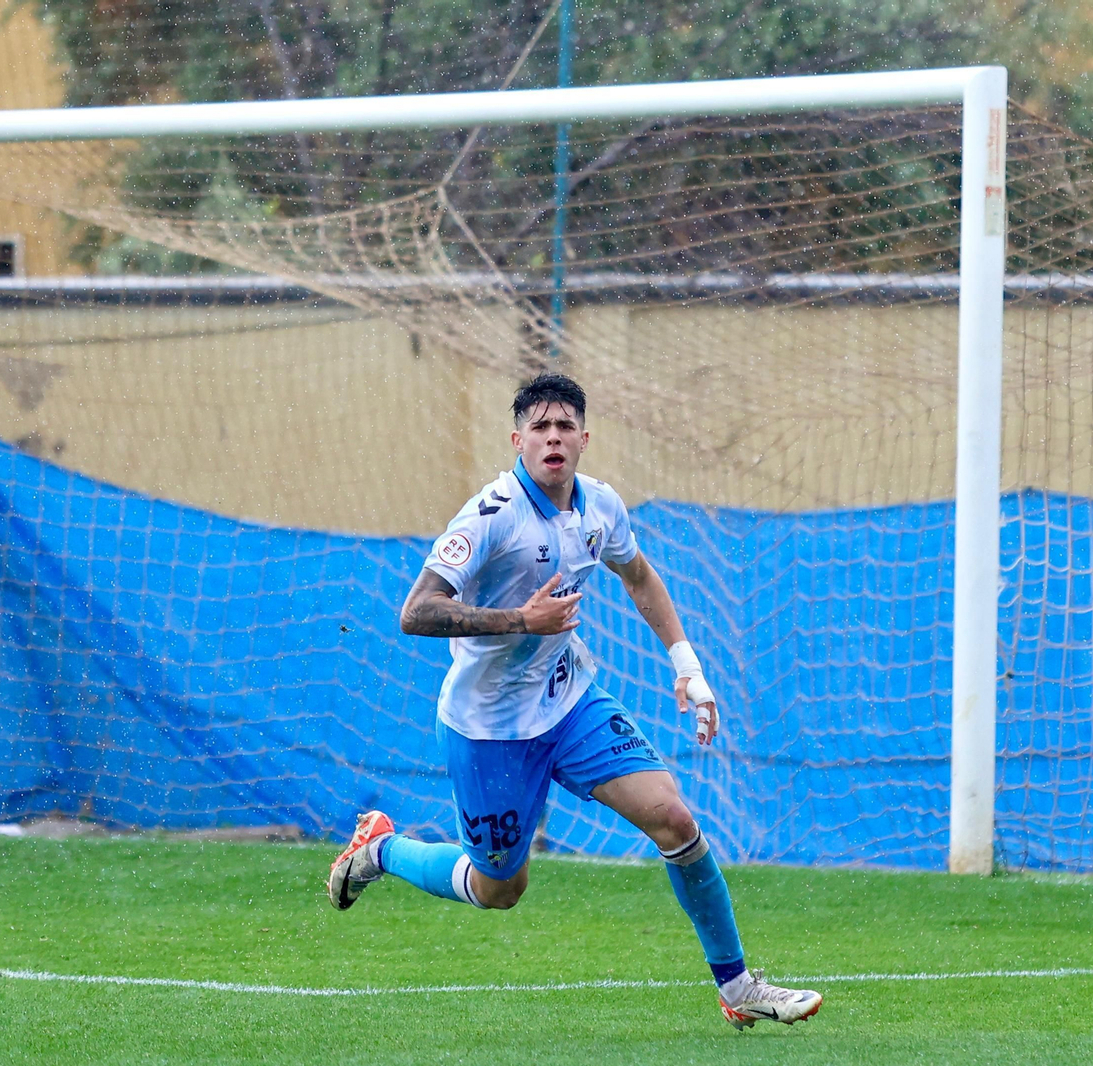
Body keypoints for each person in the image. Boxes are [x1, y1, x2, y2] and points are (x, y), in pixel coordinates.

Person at [326, 372, 822, 1029]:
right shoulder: (491, 515)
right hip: (488, 730)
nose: (552, 437)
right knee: (498, 888)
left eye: (564, 426)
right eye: (539, 427)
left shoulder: (602, 507)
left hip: (569, 703)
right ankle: (381, 849)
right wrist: (520, 622)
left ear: (584, 439)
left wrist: (687, 666)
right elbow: (416, 612)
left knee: (673, 817)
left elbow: (639, 576)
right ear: (518, 440)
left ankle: (738, 987)